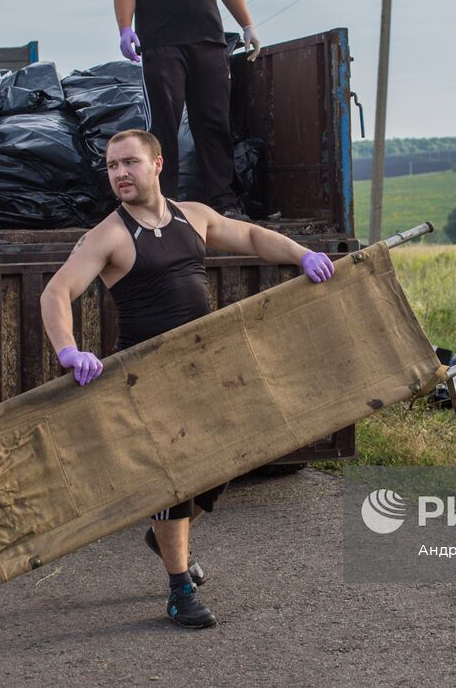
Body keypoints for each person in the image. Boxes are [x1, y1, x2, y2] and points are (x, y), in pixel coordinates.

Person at [39, 129, 335, 629]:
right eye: (111, 166)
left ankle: (163, 536)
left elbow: (250, 236)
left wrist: (299, 254)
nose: (119, 174)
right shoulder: (108, 235)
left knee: (222, 469)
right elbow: (55, 293)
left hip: (204, 371)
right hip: (147, 379)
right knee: (174, 484)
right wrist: (67, 350)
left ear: (157, 164)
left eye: (129, 163)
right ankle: (179, 592)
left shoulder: (192, 216)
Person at [112, 0, 263, 219]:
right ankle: (164, 202)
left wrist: (247, 24)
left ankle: (223, 200)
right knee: (162, 125)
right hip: (162, 44)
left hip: (208, 41)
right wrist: (124, 27)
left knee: (212, 121)